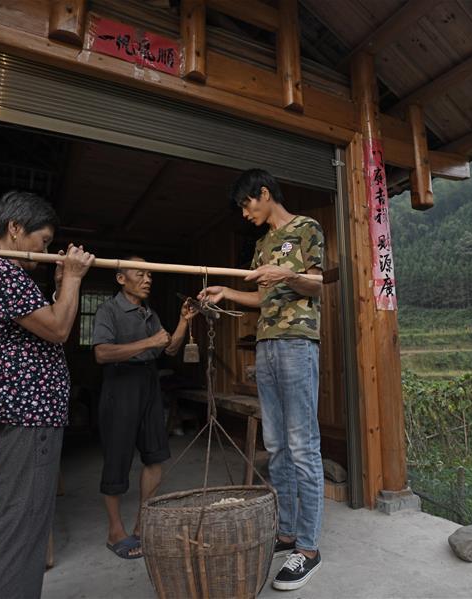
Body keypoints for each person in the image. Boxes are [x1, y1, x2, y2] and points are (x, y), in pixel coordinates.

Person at [0, 190, 94, 599]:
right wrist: (72, 278)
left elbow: (48, 325)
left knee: (23, 524)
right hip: (25, 417)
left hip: (23, 416)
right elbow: (58, 329)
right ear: (15, 229)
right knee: (23, 526)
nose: (45, 251)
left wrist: (62, 287)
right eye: (44, 241)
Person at [199, 169, 325, 591]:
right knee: (276, 445)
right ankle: (287, 533)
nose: (244, 212)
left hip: (297, 343)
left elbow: (318, 285)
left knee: (303, 445)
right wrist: (227, 293)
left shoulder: (307, 228)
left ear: (264, 193)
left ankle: (308, 549)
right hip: (267, 346)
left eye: (246, 203)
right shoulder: (261, 246)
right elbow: (260, 296)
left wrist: (285, 274)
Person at [92, 257, 196, 559]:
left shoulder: (149, 313)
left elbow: (170, 347)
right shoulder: (108, 310)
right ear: (122, 279)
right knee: (116, 459)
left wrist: (183, 320)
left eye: (150, 274)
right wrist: (148, 341)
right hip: (120, 386)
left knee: (155, 456)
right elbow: (101, 353)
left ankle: (141, 525)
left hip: (149, 384)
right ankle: (115, 531)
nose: (148, 278)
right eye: (141, 274)